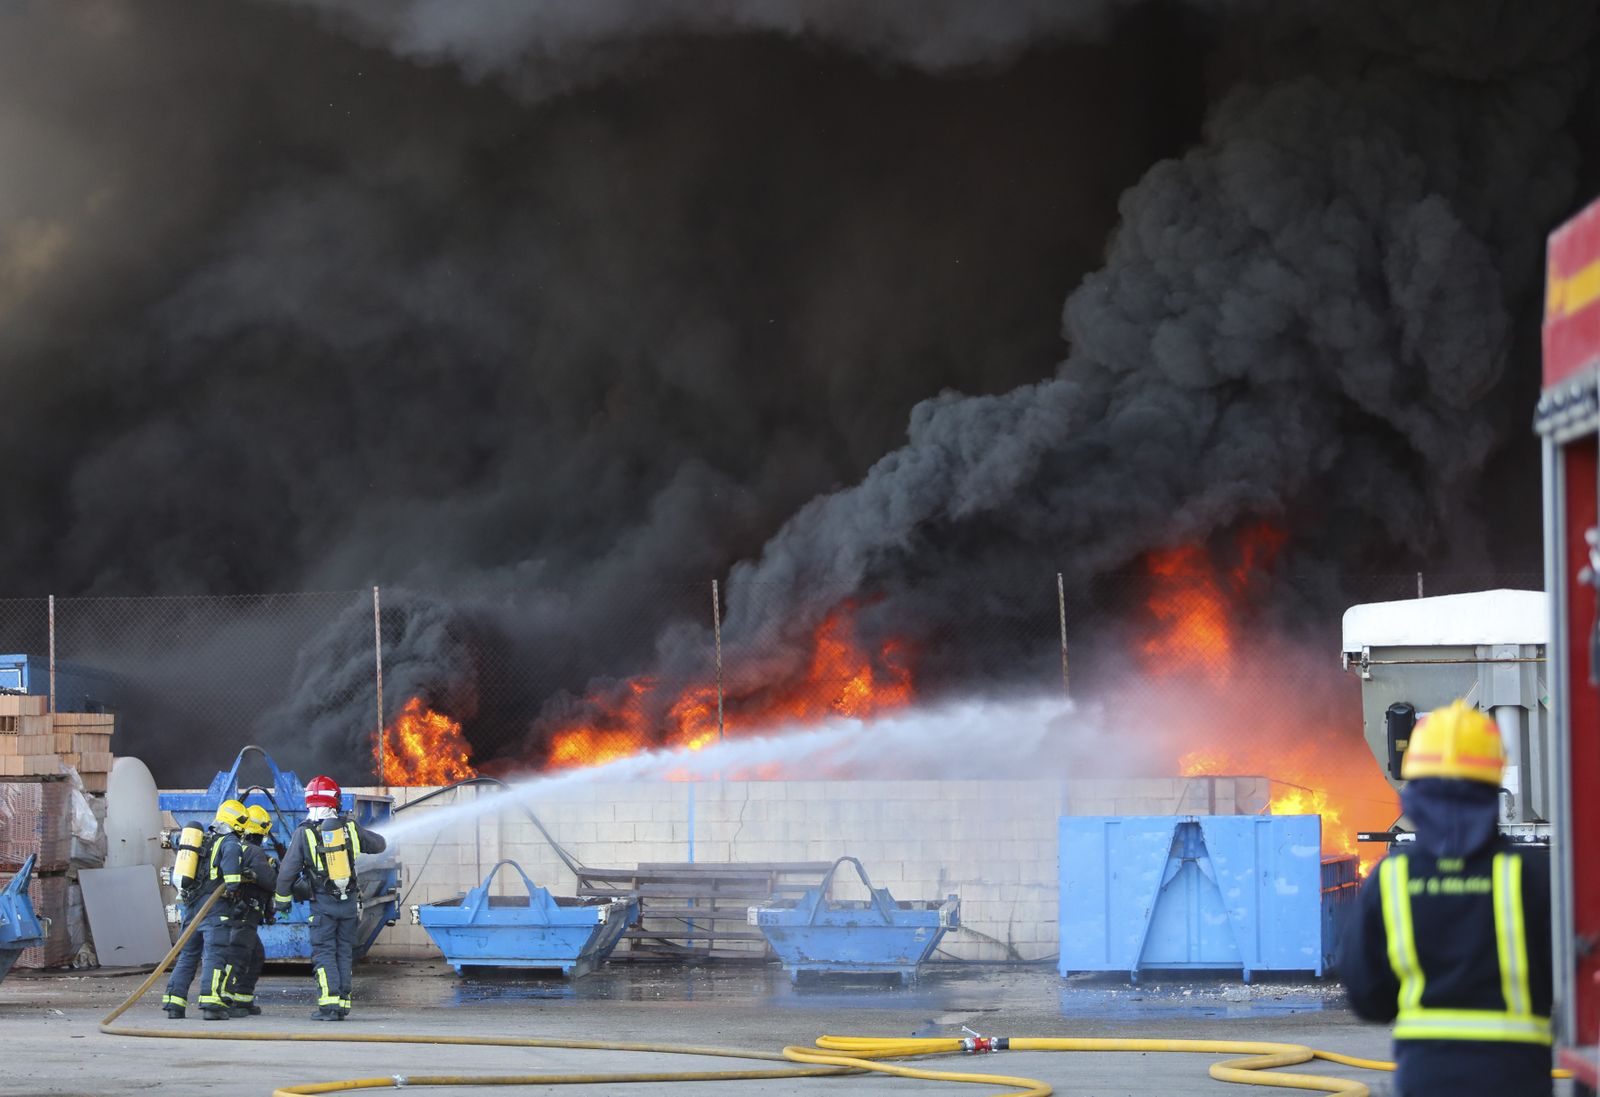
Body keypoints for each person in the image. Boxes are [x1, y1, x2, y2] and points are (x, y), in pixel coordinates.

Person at [1341, 699, 1553, 1097]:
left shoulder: (1391, 879)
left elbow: (1368, 998)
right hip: (1516, 1078)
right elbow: (1568, 977)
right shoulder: (1530, 875)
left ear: (1414, 789)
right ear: (1493, 786)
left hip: (1425, 1077)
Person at [273, 775, 387, 1021]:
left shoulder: (304, 834)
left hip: (322, 906)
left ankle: (328, 1006)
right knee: (343, 952)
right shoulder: (350, 827)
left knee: (324, 952)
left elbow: (287, 872)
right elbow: (379, 845)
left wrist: (281, 901)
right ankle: (343, 1003)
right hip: (348, 905)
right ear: (334, 799)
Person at [162, 798, 247, 1021]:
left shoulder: (205, 841)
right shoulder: (230, 843)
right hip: (215, 910)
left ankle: (174, 1003)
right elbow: (232, 881)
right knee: (214, 956)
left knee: (188, 955)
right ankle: (211, 1005)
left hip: (192, 909)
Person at [223, 804, 280, 1016]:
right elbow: (270, 881)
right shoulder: (255, 852)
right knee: (238, 956)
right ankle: (225, 1000)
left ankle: (243, 999)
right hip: (245, 913)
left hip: (239, 913)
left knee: (255, 955)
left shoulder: (238, 847)